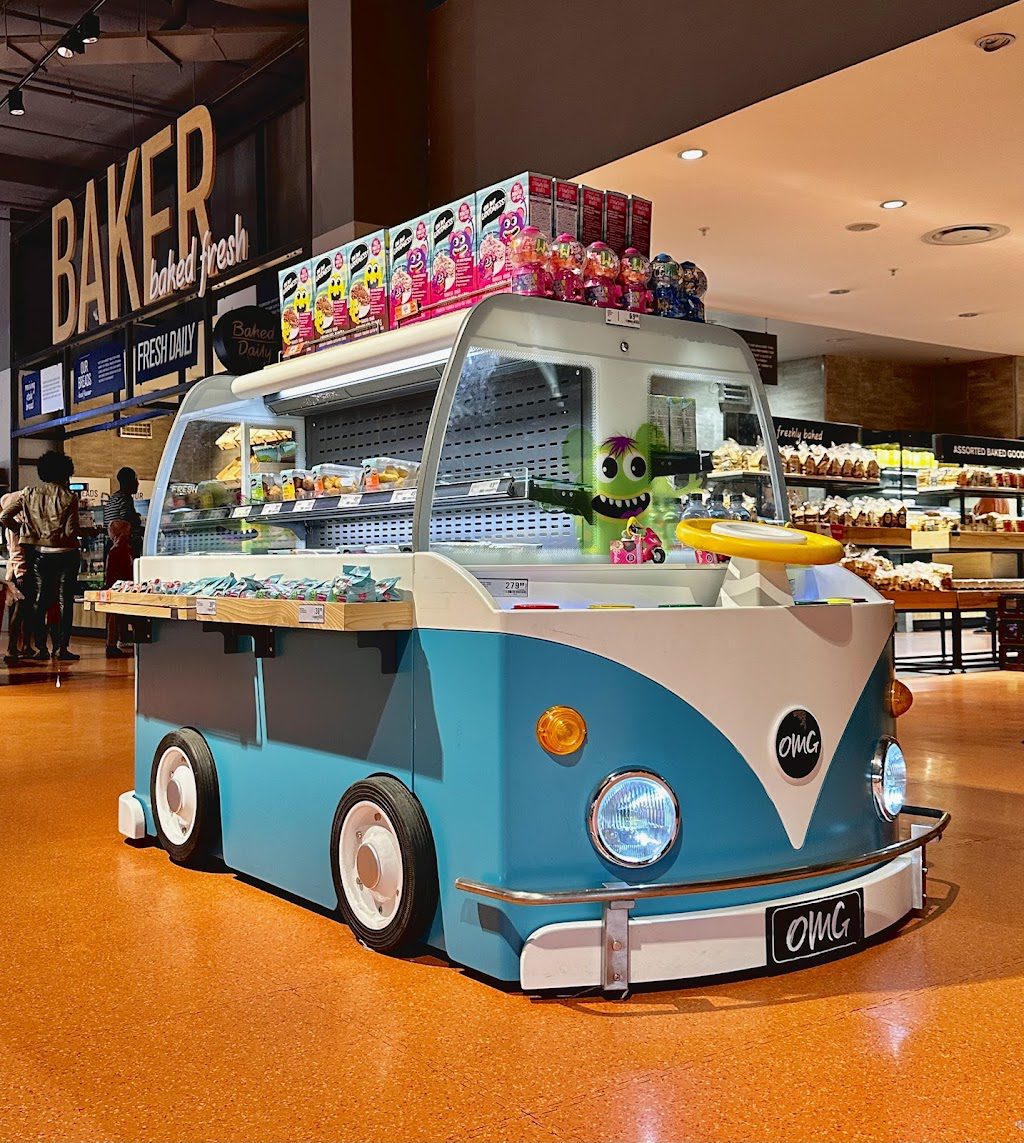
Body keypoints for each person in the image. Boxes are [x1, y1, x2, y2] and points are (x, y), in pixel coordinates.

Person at [0, 450, 82, 662]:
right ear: (66, 472)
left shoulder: (29, 493)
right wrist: (85, 532)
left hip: (41, 555)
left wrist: (22, 531)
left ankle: (40, 647)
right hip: (66, 554)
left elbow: (5, 516)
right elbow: (70, 531)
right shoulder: (69, 497)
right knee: (64, 602)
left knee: (39, 601)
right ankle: (61, 648)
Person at [1, 490, 34, 663]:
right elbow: (17, 551)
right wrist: (21, 571)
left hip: (14, 570)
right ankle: (13, 647)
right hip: (21, 571)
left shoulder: (13, 525)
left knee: (23, 610)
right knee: (21, 610)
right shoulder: (17, 526)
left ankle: (23, 646)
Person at [104, 519, 134, 658]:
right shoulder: (121, 550)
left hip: (116, 587)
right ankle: (115, 642)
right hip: (121, 587)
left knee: (114, 617)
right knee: (116, 617)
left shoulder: (114, 549)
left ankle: (115, 641)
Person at [103, 467, 144, 558]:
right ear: (128, 482)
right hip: (122, 548)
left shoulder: (113, 498)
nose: (137, 483)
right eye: (135, 479)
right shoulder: (125, 498)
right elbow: (127, 522)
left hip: (111, 545)